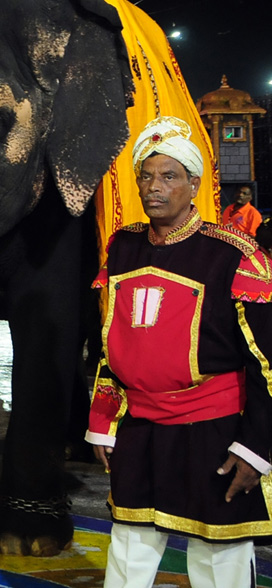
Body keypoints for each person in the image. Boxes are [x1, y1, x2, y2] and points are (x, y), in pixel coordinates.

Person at [86, 117, 272, 587]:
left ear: (194, 183)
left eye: (169, 176)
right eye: (146, 175)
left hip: (215, 430)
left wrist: (257, 448)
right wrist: (104, 422)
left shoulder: (235, 254)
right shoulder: (123, 245)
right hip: (141, 427)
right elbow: (112, 342)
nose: (154, 187)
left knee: (218, 560)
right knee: (128, 552)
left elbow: (267, 363)